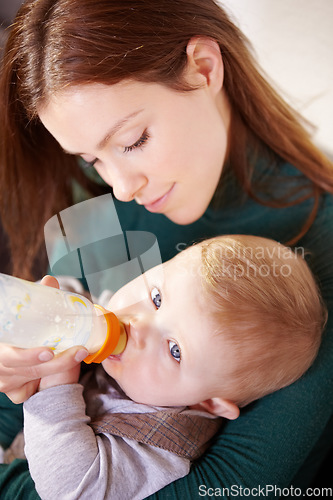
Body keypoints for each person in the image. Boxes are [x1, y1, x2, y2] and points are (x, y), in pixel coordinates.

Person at [0, 0, 332, 497]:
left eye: (133, 141)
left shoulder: (316, 265)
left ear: (204, 68)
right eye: (92, 158)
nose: (122, 187)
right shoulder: (104, 207)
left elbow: (223, 490)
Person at [2, 234, 327, 500]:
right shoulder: (119, 324)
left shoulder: (161, 444)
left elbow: (73, 490)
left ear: (207, 403)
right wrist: (58, 305)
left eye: (175, 350)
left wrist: (56, 383)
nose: (140, 325)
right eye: (157, 298)